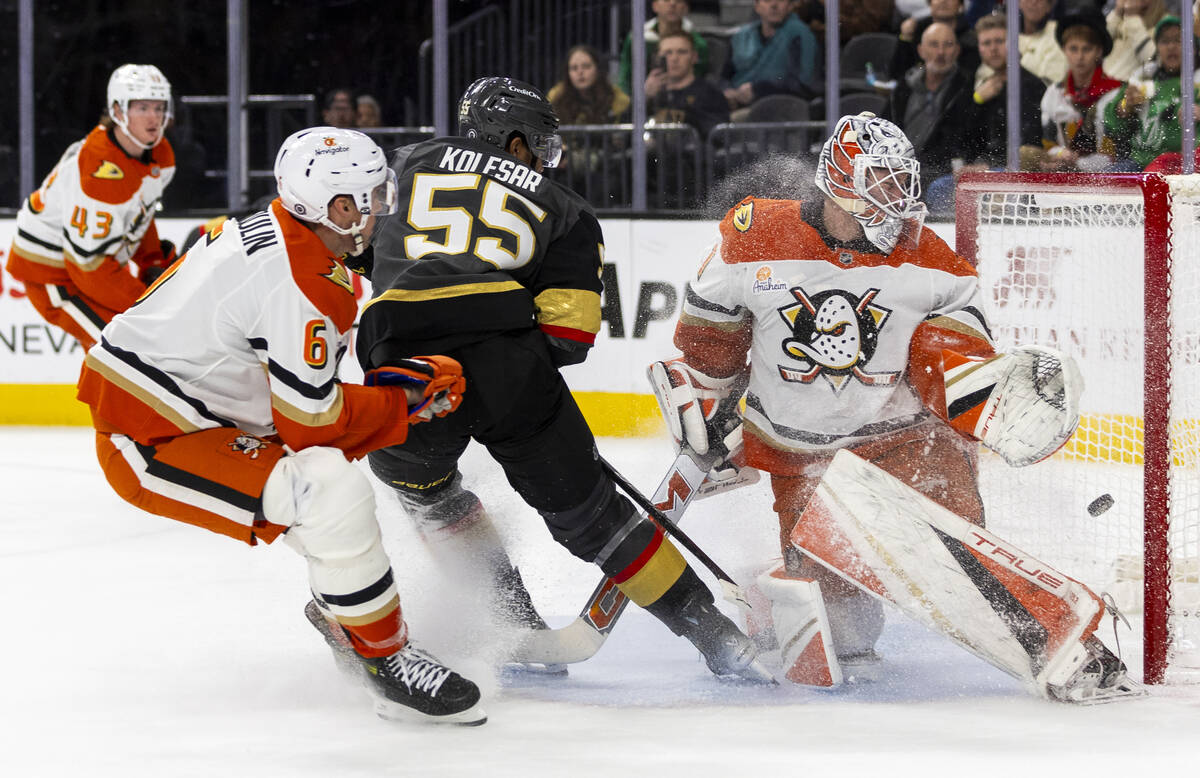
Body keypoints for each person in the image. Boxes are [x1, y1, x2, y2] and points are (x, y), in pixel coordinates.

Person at [653, 111, 1113, 686]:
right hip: (804, 457)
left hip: (906, 445)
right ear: (843, 183)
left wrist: (982, 388)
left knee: (953, 553)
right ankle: (764, 592)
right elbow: (708, 330)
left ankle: (1065, 650)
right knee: (850, 633)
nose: (901, 200)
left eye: (904, 181)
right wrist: (711, 392)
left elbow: (958, 345)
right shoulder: (756, 235)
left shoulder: (927, 257)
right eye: (885, 182)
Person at [356, 76, 772, 684]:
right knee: (597, 520)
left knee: (429, 492)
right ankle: (719, 639)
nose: (548, 158)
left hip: (403, 368)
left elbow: (355, 249)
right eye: (541, 145)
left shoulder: (406, 164)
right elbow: (568, 340)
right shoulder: (567, 209)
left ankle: (510, 622)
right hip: (511, 372)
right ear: (514, 141)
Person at [74, 126, 487, 726]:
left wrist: (386, 396)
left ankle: (349, 614)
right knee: (327, 491)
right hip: (155, 437)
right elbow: (311, 422)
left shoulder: (289, 241)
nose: (382, 209)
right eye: (370, 196)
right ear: (335, 206)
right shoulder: (300, 277)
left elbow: (301, 393)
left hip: (195, 408)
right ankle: (385, 659)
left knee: (328, 493)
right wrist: (402, 403)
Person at [5, 64, 177, 351]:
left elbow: (139, 216)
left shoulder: (160, 154)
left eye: (159, 107)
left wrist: (153, 261)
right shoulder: (100, 173)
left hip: (86, 264)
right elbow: (89, 267)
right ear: (118, 111)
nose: (154, 117)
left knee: (135, 352)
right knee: (125, 350)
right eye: (143, 107)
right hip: (53, 274)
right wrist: (147, 304)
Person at [923, 11, 1046, 206]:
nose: (993, 49)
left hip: (1011, 171)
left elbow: (1030, 142)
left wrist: (985, 167)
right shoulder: (977, 86)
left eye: (999, 41)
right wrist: (977, 101)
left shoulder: (1031, 86)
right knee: (938, 190)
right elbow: (961, 138)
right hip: (979, 168)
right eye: (986, 43)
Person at [889, 22, 973, 208]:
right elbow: (886, 125)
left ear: (957, 50)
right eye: (934, 45)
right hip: (900, 165)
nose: (941, 52)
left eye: (947, 44)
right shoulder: (904, 86)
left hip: (940, 169)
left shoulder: (967, 86)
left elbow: (960, 140)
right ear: (921, 50)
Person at [1102, 15, 1200, 171]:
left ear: (1193, 48)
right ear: (1158, 48)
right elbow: (1111, 126)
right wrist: (1124, 108)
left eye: (1178, 41)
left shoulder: (1197, 86)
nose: (1171, 47)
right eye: (1165, 41)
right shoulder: (1141, 79)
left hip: (1179, 167)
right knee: (1106, 182)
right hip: (1137, 163)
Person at [1038, 9, 1122, 171]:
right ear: (1064, 50)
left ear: (1098, 51)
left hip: (1105, 176)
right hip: (1062, 168)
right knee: (1024, 155)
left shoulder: (1114, 94)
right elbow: (1048, 144)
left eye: (1087, 49)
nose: (1079, 56)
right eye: (1073, 49)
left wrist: (1076, 164)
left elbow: (1112, 155)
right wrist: (1061, 154)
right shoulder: (1054, 93)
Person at [723, 0, 821, 114]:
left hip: (781, 110)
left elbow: (805, 84)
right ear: (757, 6)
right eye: (767, 0)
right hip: (736, 105)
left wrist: (759, 90)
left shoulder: (801, 35)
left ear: (790, 6)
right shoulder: (741, 36)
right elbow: (724, 77)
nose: (774, 5)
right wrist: (727, 92)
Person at [647, 32, 731, 140]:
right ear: (658, 58)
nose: (674, 58)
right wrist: (645, 97)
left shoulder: (710, 93)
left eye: (682, 52)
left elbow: (718, 136)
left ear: (694, 57)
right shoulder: (649, 94)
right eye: (668, 53)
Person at [617, 0, 710, 96]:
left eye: (679, 1)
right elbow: (625, 80)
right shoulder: (637, 38)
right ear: (655, 6)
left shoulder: (698, 44)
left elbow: (700, 81)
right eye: (666, 0)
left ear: (686, 8)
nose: (672, 4)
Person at [891, 0, 981, 83]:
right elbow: (897, 74)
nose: (943, 1)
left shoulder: (970, 40)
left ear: (961, 5)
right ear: (930, 3)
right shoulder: (916, 31)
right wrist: (905, 38)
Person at [548, 44, 631, 125]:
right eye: (574, 68)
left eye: (586, 66)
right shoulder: (556, 97)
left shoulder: (615, 97)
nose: (580, 72)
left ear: (598, 70)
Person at [1103, 0, 1167, 80]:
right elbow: (1100, 45)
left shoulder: (1165, 25)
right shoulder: (1121, 18)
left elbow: (1152, 61)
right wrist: (1117, 12)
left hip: (1132, 89)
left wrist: (1132, 17)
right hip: (1105, 83)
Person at [1018, 0, 1068, 85]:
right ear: (1019, 3)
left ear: (1049, 7)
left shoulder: (1058, 33)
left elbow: (1052, 79)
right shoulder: (1005, 33)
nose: (1033, 2)